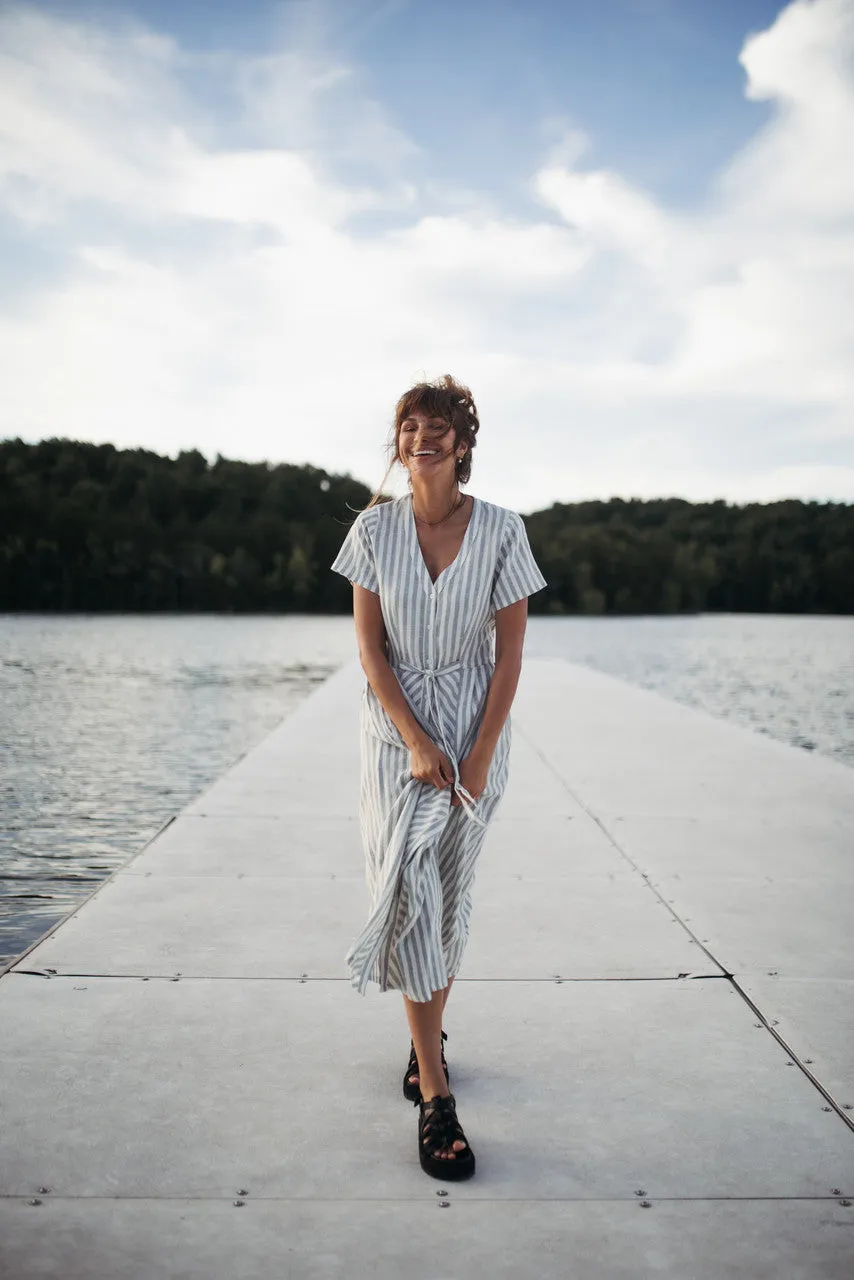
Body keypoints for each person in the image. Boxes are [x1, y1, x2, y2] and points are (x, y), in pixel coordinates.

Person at [330, 373, 547, 1181]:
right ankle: (436, 1099)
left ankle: (427, 1045)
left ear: (462, 444)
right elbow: (370, 652)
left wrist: (480, 752)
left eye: (438, 426)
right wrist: (415, 739)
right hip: (395, 734)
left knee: (447, 896)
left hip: (473, 724)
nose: (422, 436)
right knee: (408, 886)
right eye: (409, 424)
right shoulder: (372, 531)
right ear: (400, 442)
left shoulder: (502, 531)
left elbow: (511, 653)